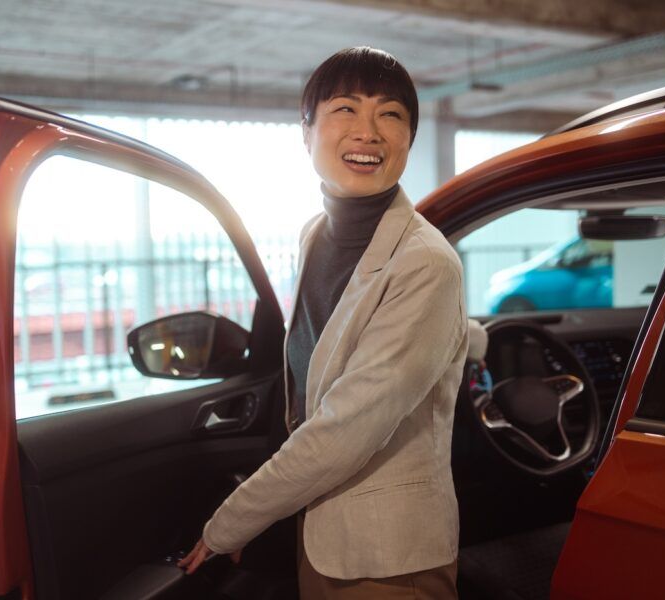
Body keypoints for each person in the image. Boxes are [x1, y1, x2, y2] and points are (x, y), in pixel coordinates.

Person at [178, 46, 470, 599]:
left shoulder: (426, 263)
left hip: (387, 558)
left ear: (409, 137)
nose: (369, 133)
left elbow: (347, 427)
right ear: (306, 132)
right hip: (320, 530)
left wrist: (234, 521)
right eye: (345, 110)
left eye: (390, 115)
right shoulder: (315, 234)